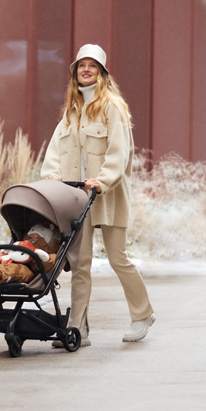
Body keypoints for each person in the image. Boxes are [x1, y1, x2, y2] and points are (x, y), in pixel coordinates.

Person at [41, 43, 155, 347]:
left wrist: (102, 180)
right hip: (77, 198)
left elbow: (120, 153)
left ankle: (142, 314)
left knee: (118, 257)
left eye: (93, 65)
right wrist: (51, 174)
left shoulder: (112, 107)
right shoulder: (72, 111)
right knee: (79, 263)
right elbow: (55, 149)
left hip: (108, 195)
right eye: (82, 65)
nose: (86, 70)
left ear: (102, 73)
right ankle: (78, 328)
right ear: (75, 72)